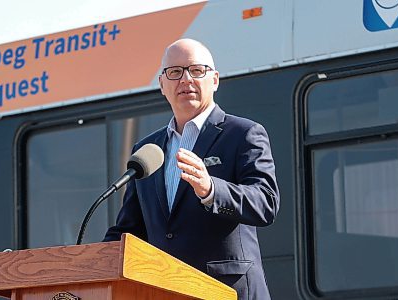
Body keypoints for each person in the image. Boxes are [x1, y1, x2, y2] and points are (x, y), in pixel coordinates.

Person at [104, 38, 279, 300]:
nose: (185, 79)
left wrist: (211, 190)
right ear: (162, 85)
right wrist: (82, 260)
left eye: (196, 70)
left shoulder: (243, 134)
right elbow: (131, 230)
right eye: (174, 72)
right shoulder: (147, 149)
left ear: (215, 80)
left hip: (227, 291)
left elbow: (266, 203)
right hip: (165, 290)